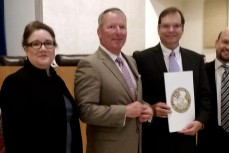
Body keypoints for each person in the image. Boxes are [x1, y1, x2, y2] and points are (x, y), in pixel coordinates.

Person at [74, 8, 153, 153]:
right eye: (111, 27)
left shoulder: (131, 61)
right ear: (99, 32)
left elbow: (132, 98)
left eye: (122, 27)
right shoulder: (90, 64)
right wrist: (124, 112)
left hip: (135, 146)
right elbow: (85, 111)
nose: (118, 32)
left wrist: (146, 108)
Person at [133, 7, 211, 153]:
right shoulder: (141, 59)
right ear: (158, 29)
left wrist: (200, 122)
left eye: (176, 25)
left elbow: (205, 97)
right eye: (166, 26)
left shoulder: (196, 59)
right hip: (154, 139)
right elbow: (134, 95)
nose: (171, 30)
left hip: (186, 139)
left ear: (182, 29)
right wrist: (151, 108)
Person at [0, 21, 83, 153]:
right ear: (25, 48)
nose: (43, 49)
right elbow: (15, 138)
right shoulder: (15, 83)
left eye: (48, 43)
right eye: (36, 44)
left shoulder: (56, 80)